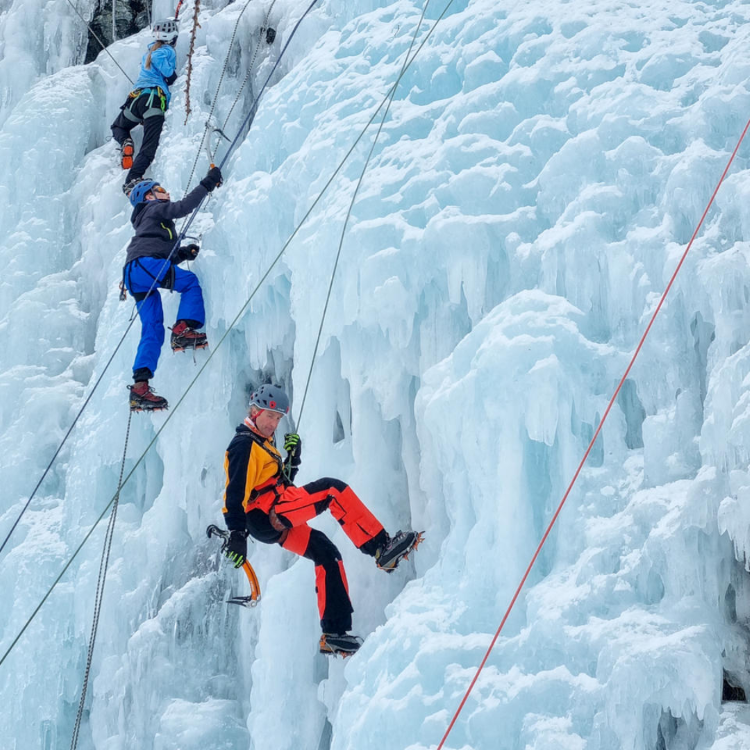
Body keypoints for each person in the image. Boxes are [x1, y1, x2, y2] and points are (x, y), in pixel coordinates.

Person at [221, 384, 422, 656]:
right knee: (331, 490)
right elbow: (235, 493)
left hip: (272, 512)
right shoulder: (244, 444)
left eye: (278, 418)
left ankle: (334, 633)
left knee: (326, 552)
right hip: (265, 514)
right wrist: (236, 534)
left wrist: (293, 459)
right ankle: (381, 547)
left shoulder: (262, 442)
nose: (273, 423)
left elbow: (279, 481)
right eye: (269, 416)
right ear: (254, 411)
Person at [124, 166, 222, 412]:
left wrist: (180, 254)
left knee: (153, 326)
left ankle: (140, 387)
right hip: (143, 265)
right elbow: (182, 207)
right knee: (189, 283)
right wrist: (207, 183)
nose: (165, 192)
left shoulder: (149, 222)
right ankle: (183, 330)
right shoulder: (153, 209)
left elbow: (160, 253)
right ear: (148, 196)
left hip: (136, 273)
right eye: (160, 190)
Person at [111, 18, 179, 195]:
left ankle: (125, 141)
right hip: (153, 101)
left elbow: (154, 59)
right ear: (173, 38)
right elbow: (166, 70)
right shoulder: (165, 51)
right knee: (149, 146)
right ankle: (132, 180)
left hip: (136, 100)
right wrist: (172, 76)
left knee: (118, 126)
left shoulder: (149, 51)